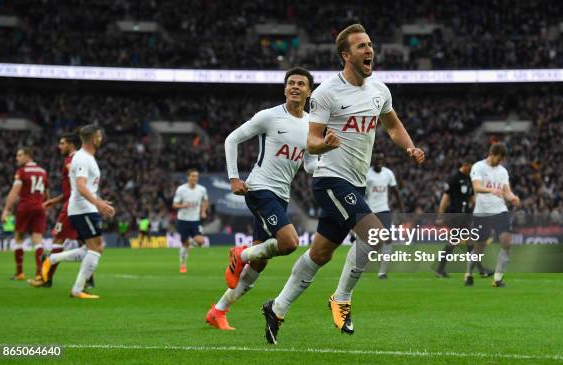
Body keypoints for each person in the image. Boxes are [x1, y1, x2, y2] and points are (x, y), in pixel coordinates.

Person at [261, 24, 424, 345]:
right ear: (345, 55)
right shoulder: (325, 93)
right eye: (361, 46)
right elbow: (310, 140)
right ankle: (341, 298)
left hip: (356, 184)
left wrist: (409, 147)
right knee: (376, 236)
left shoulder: (380, 90)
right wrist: (324, 145)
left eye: (370, 45)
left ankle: (276, 307)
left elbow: (392, 126)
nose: (369, 50)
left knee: (321, 254)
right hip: (330, 181)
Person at [206, 67, 316, 331]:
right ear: (285, 88)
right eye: (291, 83)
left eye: (301, 83)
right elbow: (232, 139)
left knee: (259, 262)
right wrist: (233, 178)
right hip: (259, 189)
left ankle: (218, 311)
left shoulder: (312, 125)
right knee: (289, 242)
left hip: (280, 196)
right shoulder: (269, 116)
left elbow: (310, 165)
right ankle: (240, 253)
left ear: (309, 91)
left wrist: (329, 161)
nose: (295, 87)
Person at [42, 125, 115, 299]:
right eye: (99, 136)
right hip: (83, 208)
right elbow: (81, 186)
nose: (101, 139)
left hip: (85, 208)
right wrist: (98, 203)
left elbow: (86, 186)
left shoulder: (88, 157)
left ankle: (52, 260)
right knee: (96, 248)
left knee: (91, 248)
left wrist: (98, 201)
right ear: (92, 138)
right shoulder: (82, 158)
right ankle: (77, 289)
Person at [29, 132, 94, 288]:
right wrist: (54, 200)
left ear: (71, 144)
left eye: (62, 143)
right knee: (88, 244)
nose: (59, 146)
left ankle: (46, 278)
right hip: (83, 206)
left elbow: (77, 184)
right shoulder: (82, 158)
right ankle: (88, 280)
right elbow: (72, 189)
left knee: (58, 240)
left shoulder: (71, 160)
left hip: (72, 207)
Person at [465, 143, 520, 287]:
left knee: (506, 242)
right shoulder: (478, 167)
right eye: (499, 159)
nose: (500, 162)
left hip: (500, 210)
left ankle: (497, 279)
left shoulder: (502, 171)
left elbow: (506, 191)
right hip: (482, 211)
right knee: (479, 247)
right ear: (492, 154)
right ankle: (469, 273)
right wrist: (491, 190)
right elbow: (476, 187)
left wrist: (513, 197)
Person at [435, 157, 491, 278]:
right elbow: (445, 198)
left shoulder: (469, 179)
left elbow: (471, 197)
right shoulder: (454, 178)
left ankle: (439, 269)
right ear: (465, 165)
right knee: (466, 241)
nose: (471, 170)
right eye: (470, 167)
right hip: (455, 215)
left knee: (457, 242)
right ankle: (481, 270)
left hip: (465, 216)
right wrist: (440, 215)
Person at [2, 147, 49, 281]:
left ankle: (20, 273)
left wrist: (6, 209)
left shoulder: (21, 172)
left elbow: (14, 191)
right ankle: (39, 273)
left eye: (19, 155)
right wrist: (42, 203)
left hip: (25, 208)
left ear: (28, 156)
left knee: (18, 238)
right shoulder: (42, 171)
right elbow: (46, 193)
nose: (17, 158)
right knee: (38, 240)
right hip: (39, 207)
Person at [365, 152, 401, 279]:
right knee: (369, 241)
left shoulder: (388, 173)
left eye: (381, 159)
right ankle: (358, 264)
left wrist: (401, 209)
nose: (379, 161)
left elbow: (396, 192)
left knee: (388, 239)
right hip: (370, 211)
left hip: (384, 210)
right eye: (377, 159)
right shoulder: (367, 174)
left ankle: (382, 272)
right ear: (373, 161)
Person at [172, 169, 208, 273]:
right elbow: (174, 204)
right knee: (184, 244)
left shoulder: (202, 189)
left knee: (200, 241)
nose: (194, 178)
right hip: (183, 220)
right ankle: (182, 264)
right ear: (188, 177)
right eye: (192, 176)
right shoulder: (181, 189)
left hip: (195, 220)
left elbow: (205, 201)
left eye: (196, 176)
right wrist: (183, 205)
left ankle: (190, 243)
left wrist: (203, 211)